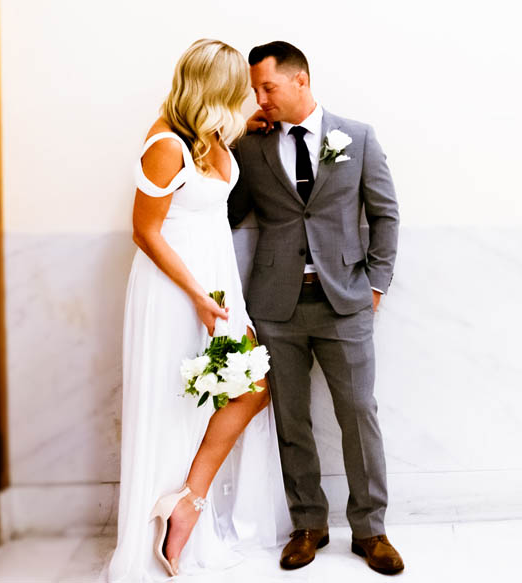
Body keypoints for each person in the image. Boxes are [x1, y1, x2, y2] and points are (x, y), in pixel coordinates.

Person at [108, 39, 290, 581]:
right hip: (173, 292)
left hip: (215, 285)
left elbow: (212, 182)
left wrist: (253, 125)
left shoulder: (209, 133)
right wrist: (195, 293)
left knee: (250, 388)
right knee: (177, 403)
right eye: (237, 91)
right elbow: (145, 230)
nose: (244, 101)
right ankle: (158, 527)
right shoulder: (164, 144)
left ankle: (186, 502)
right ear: (212, 90)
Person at [229, 40, 403, 575]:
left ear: (300, 80)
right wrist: (230, 139)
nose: (260, 98)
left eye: (267, 87)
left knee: (359, 416)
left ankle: (371, 529)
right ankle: (309, 524)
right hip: (276, 305)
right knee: (292, 420)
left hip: (345, 301)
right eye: (255, 89)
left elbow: (385, 213)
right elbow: (228, 213)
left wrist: (376, 284)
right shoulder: (252, 148)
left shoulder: (358, 136)